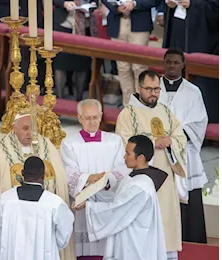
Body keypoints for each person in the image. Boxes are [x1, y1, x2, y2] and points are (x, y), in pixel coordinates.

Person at [0, 110, 76, 260]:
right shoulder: (2, 150)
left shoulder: (46, 145)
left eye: (33, 129)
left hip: (44, 227)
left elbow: (59, 179)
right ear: (15, 128)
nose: (30, 134)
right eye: (25, 129)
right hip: (17, 229)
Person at [115, 70, 187, 259]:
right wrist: (154, 143)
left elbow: (180, 137)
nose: (153, 93)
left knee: (166, 221)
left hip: (165, 178)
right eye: (149, 89)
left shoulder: (165, 111)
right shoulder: (127, 114)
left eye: (156, 89)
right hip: (142, 182)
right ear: (139, 88)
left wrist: (171, 142)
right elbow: (123, 142)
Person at [72, 135, 168, 260]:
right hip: (129, 240)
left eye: (128, 154)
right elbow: (116, 198)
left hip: (135, 245)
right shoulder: (133, 178)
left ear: (141, 158)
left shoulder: (141, 186)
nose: (124, 157)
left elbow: (117, 209)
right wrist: (89, 195)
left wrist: (88, 206)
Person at [59, 99, 130, 258]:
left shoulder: (114, 141)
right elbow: (68, 172)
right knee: (85, 250)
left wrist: (107, 179)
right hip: (84, 203)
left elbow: (122, 166)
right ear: (79, 118)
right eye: (87, 118)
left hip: (108, 200)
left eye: (95, 117)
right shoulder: (70, 143)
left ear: (101, 116)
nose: (92, 122)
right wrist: (90, 178)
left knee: (108, 249)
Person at [158, 48, 208, 243]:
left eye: (176, 62)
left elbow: (199, 122)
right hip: (159, 152)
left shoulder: (193, 92)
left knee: (188, 198)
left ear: (183, 65)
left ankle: (191, 239)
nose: (172, 66)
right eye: (168, 62)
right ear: (163, 63)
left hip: (185, 154)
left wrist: (174, 138)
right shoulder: (153, 89)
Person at [0, 156, 74, 260]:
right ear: (43, 175)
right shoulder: (54, 203)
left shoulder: (6, 199)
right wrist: (48, 247)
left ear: (22, 173)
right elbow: (64, 237)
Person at [157, 0, 220, 123]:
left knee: (198, 85)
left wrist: (192, 4)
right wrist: (170, 4)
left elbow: (217, 11)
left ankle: (197, 127)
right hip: (178, 33)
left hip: (201, 41)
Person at [101, 0, 162, 106]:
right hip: (117, 22)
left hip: (139, 24)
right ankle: (128, 106)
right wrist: (115, 8)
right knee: (123, 67)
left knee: (139, 67)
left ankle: (141, 105)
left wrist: (135, 3)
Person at [53, 0, 98, 101]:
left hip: (84, 24)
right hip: (63, 24)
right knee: (61, 64)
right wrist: (64, 3)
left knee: (81, 64)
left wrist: (92, 4)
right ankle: (60, 99)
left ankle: (79, 98)